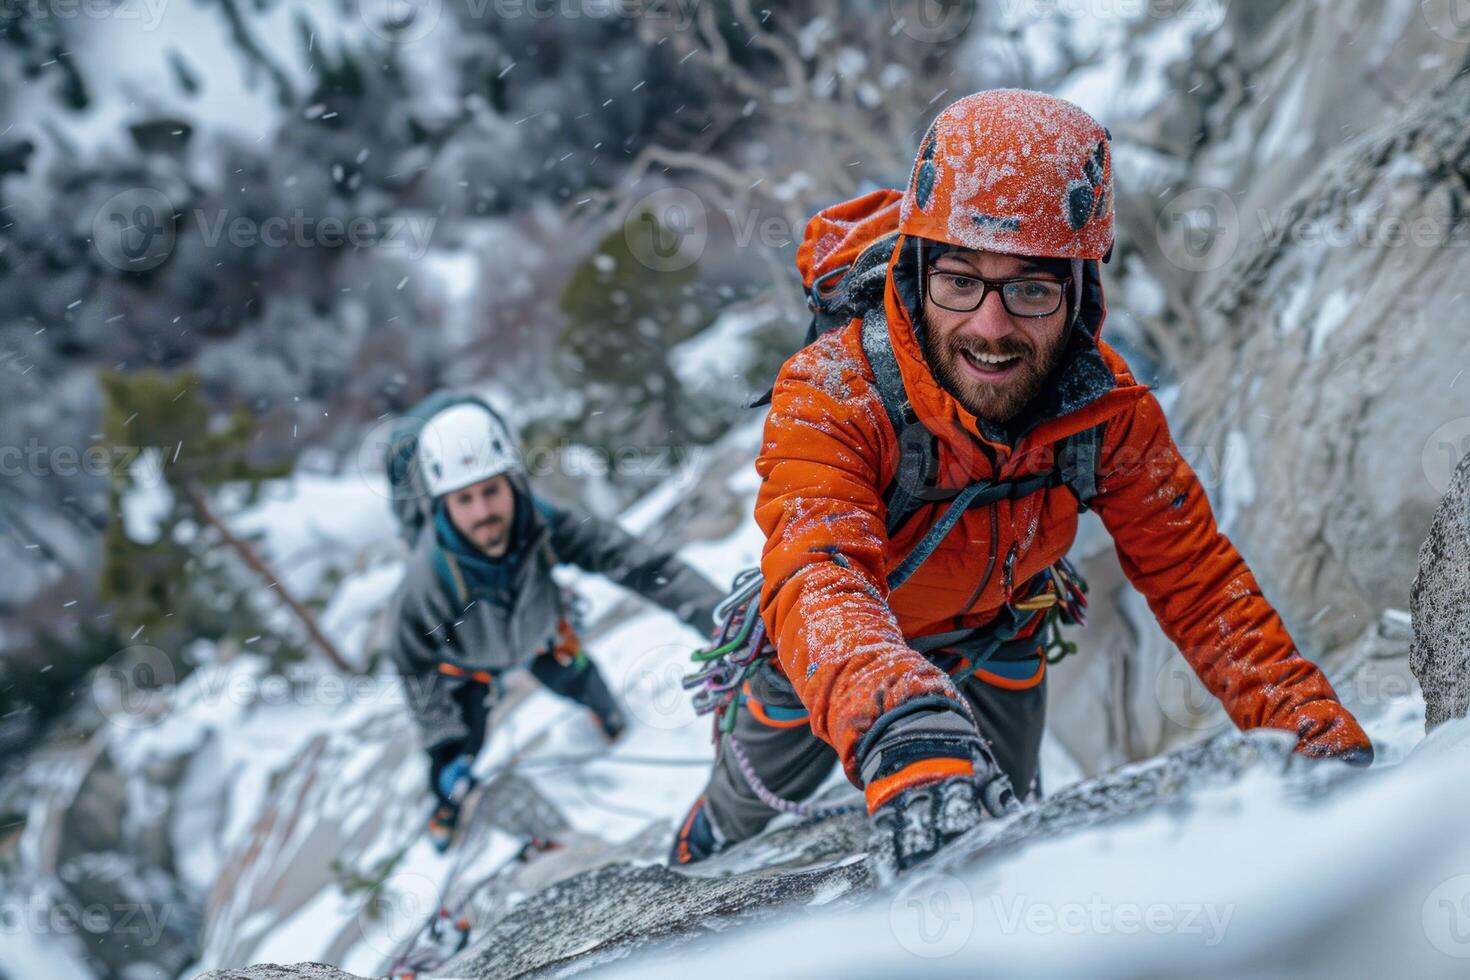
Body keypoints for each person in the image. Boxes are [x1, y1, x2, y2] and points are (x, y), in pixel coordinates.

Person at [671, 89, 1372, 875]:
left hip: (1000, 629)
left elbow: (1201, 588)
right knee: (736, 820)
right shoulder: (835, 389)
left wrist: (1312, 733)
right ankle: (682, 868)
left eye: (1031, 289)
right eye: (961, 281)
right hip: (830, 651)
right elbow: (817, 570)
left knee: (1004, 847)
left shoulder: (1104, 408)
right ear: (915, 269)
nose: (991, 326)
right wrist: (898, 714)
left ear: (1079, 294)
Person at [390, 400, 723, 850]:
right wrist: (441, 737)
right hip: (465, 669)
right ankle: (447, 811)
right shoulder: (425, 580)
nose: (482, 510)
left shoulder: (545, 523)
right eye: (464, 499)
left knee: (594, 695)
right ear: (442, 503)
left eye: (491, 490)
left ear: (513, 481)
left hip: (543, 638)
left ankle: (614, 729)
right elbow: (413, 663)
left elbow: (639, 564)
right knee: (453, 758)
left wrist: (722, 618)